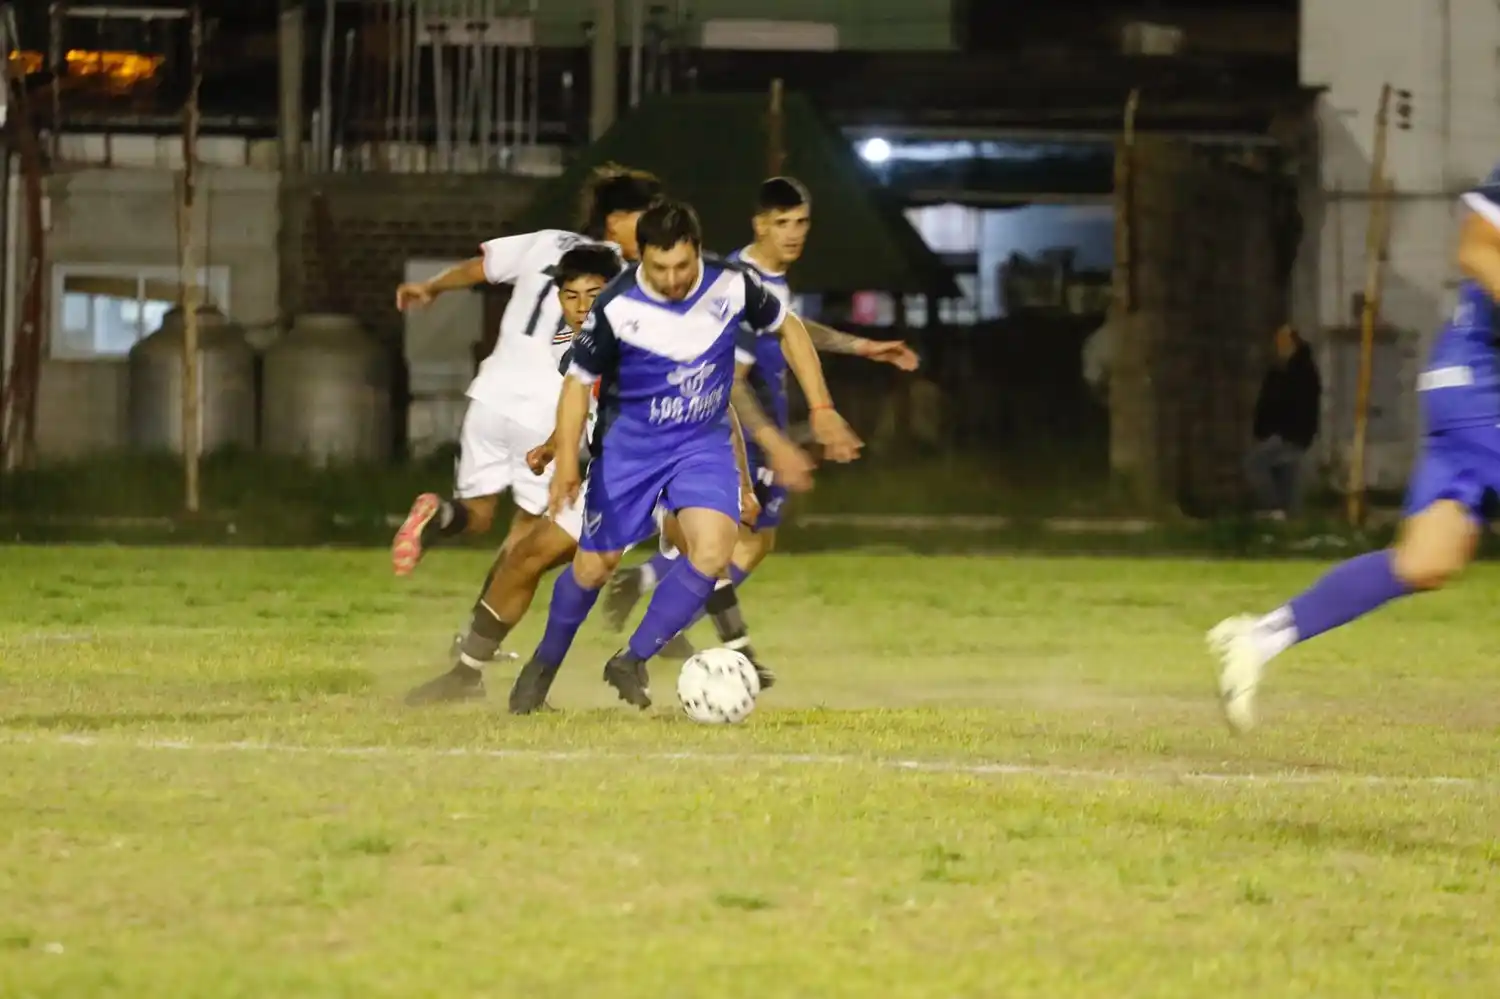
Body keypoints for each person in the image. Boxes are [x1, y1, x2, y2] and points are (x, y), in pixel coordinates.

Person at [508, 198, 862, 713]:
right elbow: (576, 385)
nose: (672, 279)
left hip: (702, 442)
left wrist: (823, 407)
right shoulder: (616, 306)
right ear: (642, 260)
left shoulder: (732, 284)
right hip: (630, 449)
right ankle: (541, 668)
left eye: (682, 266)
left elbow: (789, 328)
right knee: (594, 566)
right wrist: (566, 461)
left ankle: (631, 659)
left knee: (715, 550)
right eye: (659, 268)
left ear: (698, 251)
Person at [1207, 170, 1500, 732]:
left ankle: (1260, 637)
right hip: (1480, 380)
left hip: (1463, 389)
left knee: (1425, 562)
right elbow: (1477, 249)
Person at [602, 177, 919, 681]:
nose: (794, 235)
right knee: (732, 544)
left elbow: (791, 325)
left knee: (748, 543)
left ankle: (649, 594)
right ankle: (699, 640)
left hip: (751, 430)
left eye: (801, 223)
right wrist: (773, 446)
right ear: (759, 224)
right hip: (732, 432)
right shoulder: (733, 284)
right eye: (782, 224)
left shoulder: (766, 278)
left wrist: (862, 346)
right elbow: (730, 383)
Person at [388, 164, 662, 580]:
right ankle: (476, 640)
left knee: (477, 515)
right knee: (531, 534)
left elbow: (480, 267)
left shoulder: (545, 241)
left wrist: (431, 287)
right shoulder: (625, 278)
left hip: (491, 394)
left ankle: (439, 512)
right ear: (616, 221)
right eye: (648, 218)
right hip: (547, 409)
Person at [403, 244, 624, 706]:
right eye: (570, 297)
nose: (581, 308)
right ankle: (469, 675)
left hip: (675, 467)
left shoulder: (644, 331)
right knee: (527, 555)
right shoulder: (572, 345)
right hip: (617, 474)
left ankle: (677, 655)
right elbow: (580, 402)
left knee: (704, 557)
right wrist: (551, 448)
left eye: (593, 295)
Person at [1244, 324, 1321, 519]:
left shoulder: (1301, 371)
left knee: (1255, 463)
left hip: (1289, 434)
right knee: (1286, 477)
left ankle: (1272, 509)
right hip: (1280, 433)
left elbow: (1297, 405)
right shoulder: (1280, 369)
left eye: (1283, 341)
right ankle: (1286, 517)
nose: (1278, 346)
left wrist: (1289, 431)